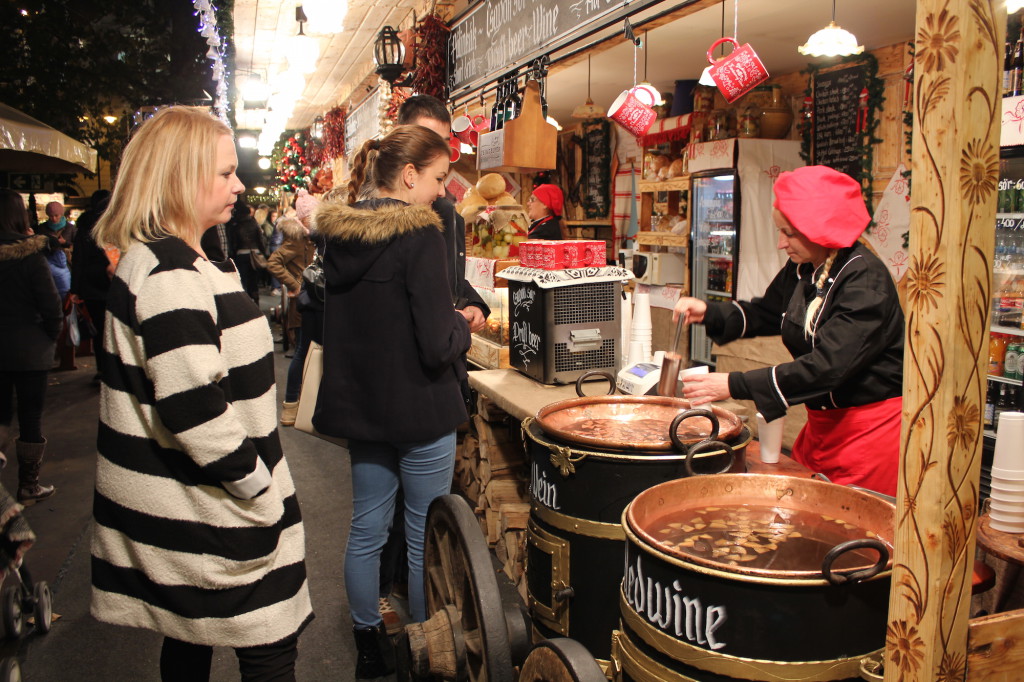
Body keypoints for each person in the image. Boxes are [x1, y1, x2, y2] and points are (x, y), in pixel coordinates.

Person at [89, 106, 313, 681]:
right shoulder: (170, 273)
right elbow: (194, 408)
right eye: (223, 173)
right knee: (267, 649)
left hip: (196, 513)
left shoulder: (168, 261)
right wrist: (257, 487)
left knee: (189, 641)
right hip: (216, 515)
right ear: (178, 177)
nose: (239, 185)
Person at [312, 125, 471, 679]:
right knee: (424, 532)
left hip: (363, 408)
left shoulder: (338, 237)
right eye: (437, 179)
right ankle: (426, 652)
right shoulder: (420, 234)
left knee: (366, 528)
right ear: (409, 175)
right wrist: (463, 325)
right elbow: (436, 342)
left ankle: (369, 648)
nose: (440, 193)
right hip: (421, 407)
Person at [673, 166, 904, 496]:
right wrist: (710, 311)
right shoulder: (805, 269)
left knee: (855, 536)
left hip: (868, 434)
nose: (782, 243)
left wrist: (732, 383)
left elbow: (828, 367)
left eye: (790, 233)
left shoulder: (865, 281)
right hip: (823, 428)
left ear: (822, 228)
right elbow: (768, 313)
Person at [0, 189, 62, 504]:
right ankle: (28, 484)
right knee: (30, 417)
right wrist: (49, 337)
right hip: (30, 350)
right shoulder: (30, 255)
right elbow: (52, 306)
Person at [266, 214, 315, 426]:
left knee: (308, 351)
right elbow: (274, 262)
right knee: (302, 351)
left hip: (314, 302)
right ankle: (291, 405)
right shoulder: (297, 239)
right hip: (303, 304)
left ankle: (305, 404)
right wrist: (295, 284)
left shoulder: (311, 238)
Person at [70, 189, 114, 373]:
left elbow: (78, 260)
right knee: (113, 332)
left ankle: (102, 371)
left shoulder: (85, 227)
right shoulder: (113, 224)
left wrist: (76, 290)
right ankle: (112, 371)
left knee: (98, 331)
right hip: (111, 284)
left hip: (91, 287)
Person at [226, 197, 266, 303]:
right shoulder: (254, 224)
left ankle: (245, 301)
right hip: (255, 254)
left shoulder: (235, 225)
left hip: (241, 254)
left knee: (243, 278)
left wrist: (232, 254)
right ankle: (255, 299)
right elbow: (260, 240)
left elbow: (233, 242)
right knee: (253, 279)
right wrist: (264, 253)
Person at [39, 200, 76, 301]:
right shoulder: (42, 228)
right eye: (51, 216)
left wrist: (65, 243)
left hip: (67, 262)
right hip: (49, 262)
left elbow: (77, 245)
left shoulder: (70, 228)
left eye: (56, 215)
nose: (54, 218)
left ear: (61, 214)